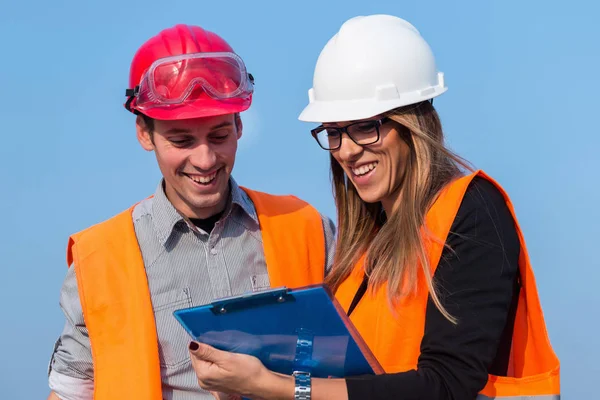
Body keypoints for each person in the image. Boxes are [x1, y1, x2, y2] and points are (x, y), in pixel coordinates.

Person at [187, 14, 560, 400]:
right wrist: (251, 386)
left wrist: (278, 387)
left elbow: (447, 385)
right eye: (334, 133)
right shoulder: (359, 256)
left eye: (366, 126)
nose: (347, 150)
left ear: (412, 122)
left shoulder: (472, 209)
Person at [46, 24, 336, 400]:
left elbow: (358, 366)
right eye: (181, 140)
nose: (205, 159)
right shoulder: (99, 259)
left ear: (240, 125)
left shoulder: (307, 229)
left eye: (219, 135)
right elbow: (71, 393)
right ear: (144, 134)